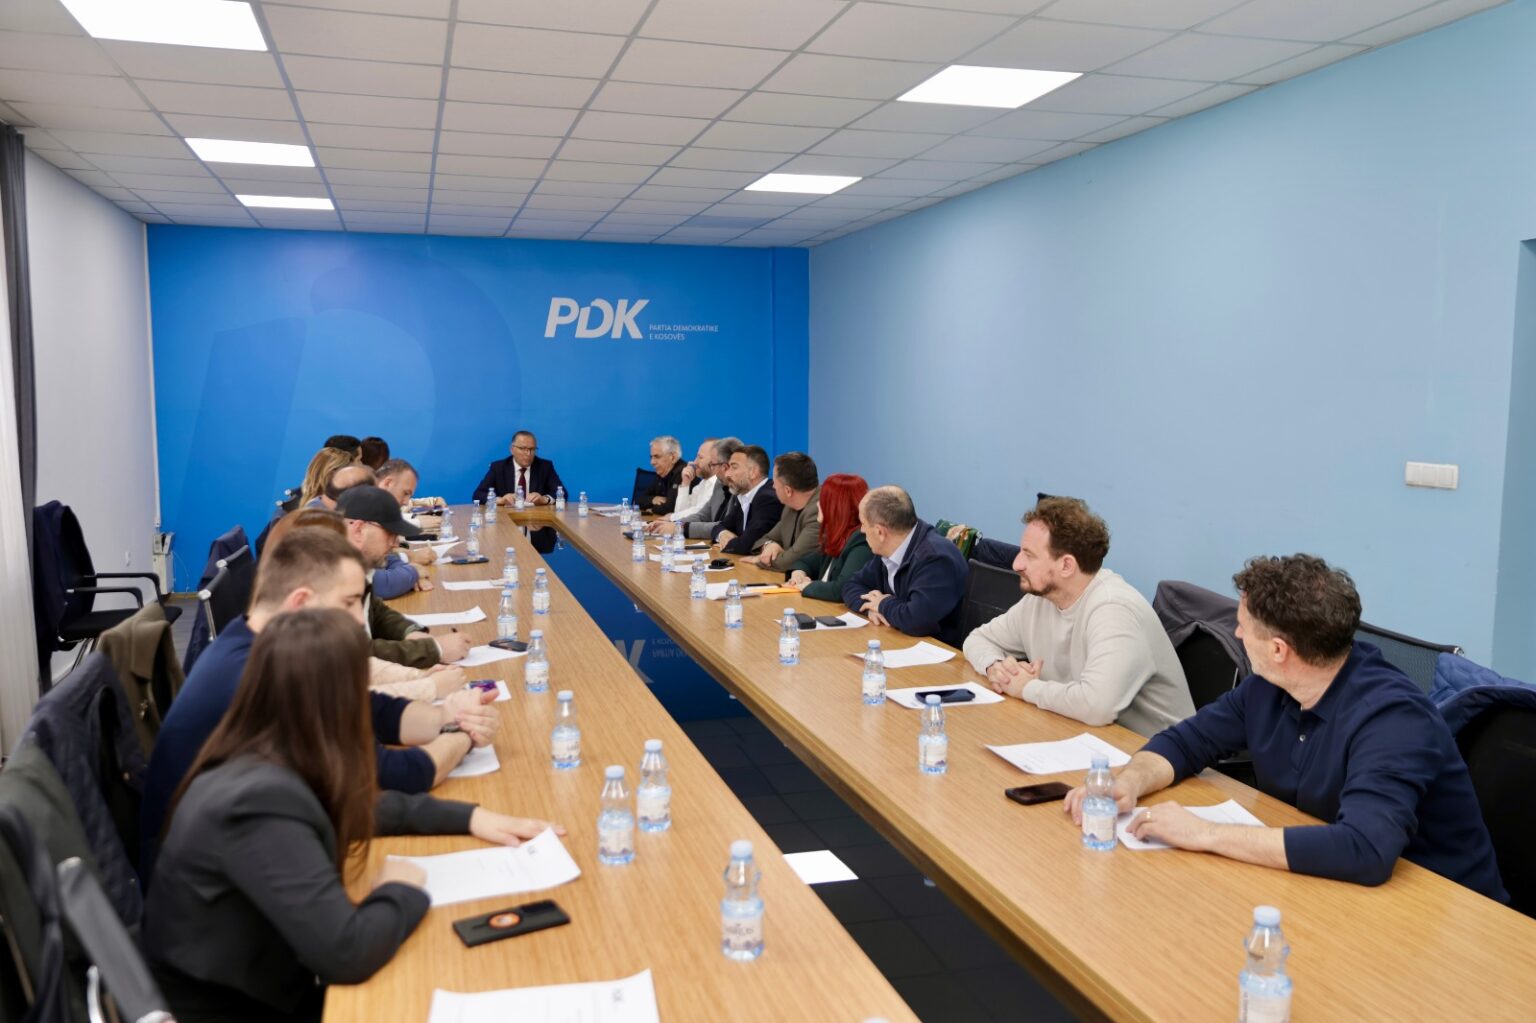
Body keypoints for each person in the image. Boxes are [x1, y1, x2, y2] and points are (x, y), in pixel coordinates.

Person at [144, 608, 564, 1022]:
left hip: (274, 977)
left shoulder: (264, 747)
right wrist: (400, 889)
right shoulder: (253, 804)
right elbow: (349, 952)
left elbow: (353, 803)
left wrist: (469, 817)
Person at [1066, 554, 1507, 900]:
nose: (1237, 635)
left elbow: (1366, 850)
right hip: (1332, 888)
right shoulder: (1268, 687)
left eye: (1243, 627)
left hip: (1446, 914)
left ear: (1279, 650)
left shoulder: (1393, 720)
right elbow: (1188, 741)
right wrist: (1128, 783)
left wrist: (1204, 833)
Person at [140, 529, 498, 875]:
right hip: (212, 889)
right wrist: (463, 732)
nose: (358, 620)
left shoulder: (257, 638)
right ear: (301, 602)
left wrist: (448, 713)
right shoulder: (261, 677)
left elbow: (374, 710)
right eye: (349, 603)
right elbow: (395, 775)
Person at [962, 497, 1194, 736]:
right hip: (1080, 733)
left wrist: (1027, 688)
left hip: (1150, 748)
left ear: (1066, 566)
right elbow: (978, 639)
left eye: (1029, 555)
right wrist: (995, 667)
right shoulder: (1041, 598)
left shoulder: (1113, 609)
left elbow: (1096, 706)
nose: (1016, 564)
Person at [335, 486, 472, 668]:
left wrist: (410, 632)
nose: (396, 543)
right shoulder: (327, 574)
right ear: (359, 529)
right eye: (390, 534)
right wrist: (435, 649)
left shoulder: (357, 564)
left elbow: (376, 611)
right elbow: (353, 653)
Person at [841, 486, 967, 647]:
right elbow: (851, 585)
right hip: (900, 640)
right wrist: (871, 609)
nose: (862, 530)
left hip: (938, 651)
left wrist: (882, 604)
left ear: (880, 532)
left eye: (863, 524)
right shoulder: (887, 551)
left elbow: (917, 619)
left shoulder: (935, 558)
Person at [787, 473, 872, 602]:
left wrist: (807, 586)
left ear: (836, 506)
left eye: (822, 499)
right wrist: (798, 573)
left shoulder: (861, 540)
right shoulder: (838, 536)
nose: (817, 504)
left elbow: (842, 589)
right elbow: (804, 562)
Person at [740, 452, 820, 572]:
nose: (773, 486)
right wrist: (770, 545)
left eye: (775, 482)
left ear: (788, 491)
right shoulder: (790, 507)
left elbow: (790, 562)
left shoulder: (819, 511)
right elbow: (762, 541)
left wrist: (762, 559)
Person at [647, 437, 740, 538]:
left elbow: (724, 526)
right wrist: (675, 524)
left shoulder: (736, 488)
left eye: (700, 457)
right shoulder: (717, 484)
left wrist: (678, 526)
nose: (694, 462)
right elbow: (702, 515)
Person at [371, 458, 435, 598]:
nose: (406, 502)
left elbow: (387, 558)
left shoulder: (379, 509)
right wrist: (413, 572)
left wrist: (407, 572)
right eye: (405, 493)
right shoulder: (359, 512)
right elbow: (380, 584)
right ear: (387, 483)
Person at [712, 445, 782, 555]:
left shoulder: (768, 499)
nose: (727, 474)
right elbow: (719, 526)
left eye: (734, 467)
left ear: (753, 472)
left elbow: (747, 545)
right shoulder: (743, 496)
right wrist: (722, 534)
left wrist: (728, 544)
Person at [471, 430, 565, 506]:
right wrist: (500, 500)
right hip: (505, 518)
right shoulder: (498, 467)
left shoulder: (545, 467)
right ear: (512, 449)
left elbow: (562, 493)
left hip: (536, 519)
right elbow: (478, 495)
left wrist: (545, 499)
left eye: (532, 449)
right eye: (523, 448)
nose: (528, 454)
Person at [638, 435, 686, 515]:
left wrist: (652, 509)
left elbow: (671, 508)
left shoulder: (683, 473)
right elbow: (639, 500)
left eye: (657, 457)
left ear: (673, 458)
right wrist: (653, 499)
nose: (652, 462)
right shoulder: (662, 473)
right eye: (651, 457)